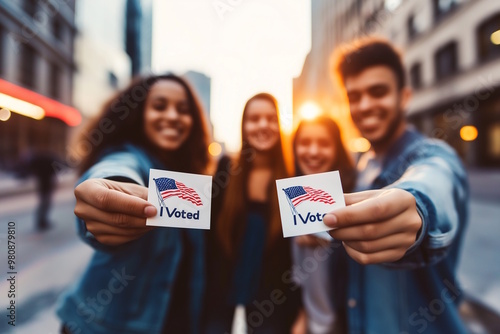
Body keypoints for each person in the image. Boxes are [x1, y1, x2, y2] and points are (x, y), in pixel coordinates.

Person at [322, 37, 469, 333]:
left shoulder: (432, 154)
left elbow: (434, 179)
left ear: (404, 96)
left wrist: (418, 206)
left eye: (378, 92)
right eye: (354, 96)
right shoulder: (362, 164)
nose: (365, 106)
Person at [56, 74, 213, 334]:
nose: (173, 116)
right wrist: (108, 188)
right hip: (100, 327)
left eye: (183, 110)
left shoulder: (192, 180)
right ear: (140, 114)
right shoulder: (128, 158)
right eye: (159, 106)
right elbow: (115, 170)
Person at [204, 93, 302, 333]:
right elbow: (208, 227)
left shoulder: (293, 177)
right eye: (254, 118)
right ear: (244, 125)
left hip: (272, 298)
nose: (262, 125)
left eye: (270, 118)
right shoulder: (226, 169)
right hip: (221, 289)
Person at [291, 116, 355, 334]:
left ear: (337, 148)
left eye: (324, 143)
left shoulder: (354, 196)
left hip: (345, 324)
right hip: (310, 324)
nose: (313, 151)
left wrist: (334, 238)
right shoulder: (289, 199)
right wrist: (301, 316)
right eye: (305, 142)